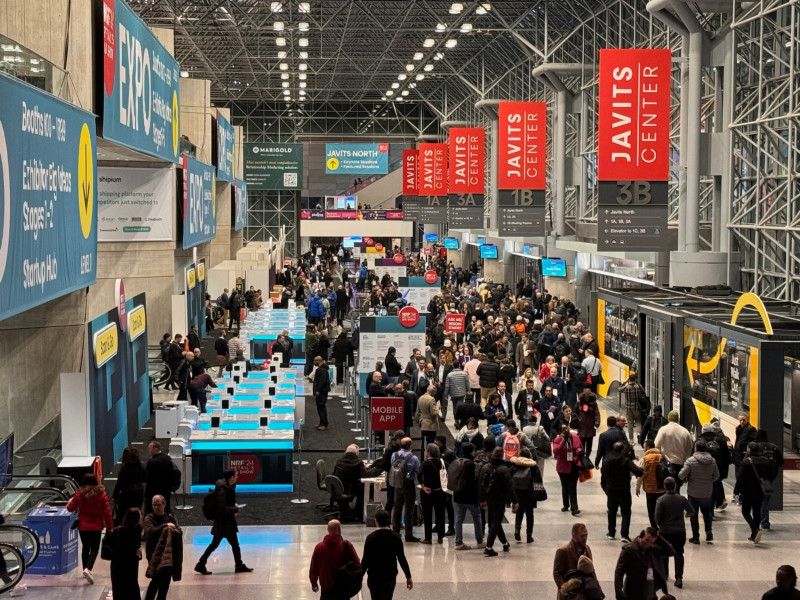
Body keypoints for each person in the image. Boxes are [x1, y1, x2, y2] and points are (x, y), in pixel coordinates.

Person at [195, 470, 253, 574]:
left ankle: (201, 564)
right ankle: (201, 564)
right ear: (231, 477)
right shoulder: (224, 491)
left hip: (225, 522)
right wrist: (235, 509)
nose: (237, 478)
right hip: (224, 523)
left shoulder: (226, 488)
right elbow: (222, 508)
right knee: (226, 544)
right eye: (236, 476)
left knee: (221, 544)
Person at [67, 473, 114, 584]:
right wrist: (110, 527)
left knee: (85, 547)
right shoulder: (101, 494)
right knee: (94, 549)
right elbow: (107, 512)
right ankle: (88, 569)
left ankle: (85, 569)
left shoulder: (79, 494)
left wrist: (70, 503)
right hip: (96, 526)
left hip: (83, 526)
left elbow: (70, 508)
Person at [361, 509, 413, 600]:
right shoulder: (396, 537)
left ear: (376, 521)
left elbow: (365, 560)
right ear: (388, 521)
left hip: (374, 576)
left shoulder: (370, 538)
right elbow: (402, 559)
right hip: (390, 575)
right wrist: (408, 576)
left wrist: (359, 577)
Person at [614, 527, 674, 600]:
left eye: (651, 542)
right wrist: (619, 592)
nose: (648, 544)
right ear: (641, 535)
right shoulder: (628, 550)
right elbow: (619, 572)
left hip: (650, 591)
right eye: (646, 540)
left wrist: (658, 538)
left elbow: (671, 551)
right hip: (633, 591)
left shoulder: (653, 549)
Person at [654, 477, 693, 589]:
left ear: (664, 486)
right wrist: (686, 515)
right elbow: (691, 511)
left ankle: (665, 574)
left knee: (664, 553)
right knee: (679, 554)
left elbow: (657, 517)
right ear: (675, 486)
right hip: (680, 531)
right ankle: (679, 577)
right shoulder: (681, 499)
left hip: (665, 531)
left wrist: (661, 525)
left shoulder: (661, 500)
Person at [679, 438, 719, 544]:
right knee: (707, 513)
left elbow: (681, 475)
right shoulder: (712, 460)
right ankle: (708, 531)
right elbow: (717, 476)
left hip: (693, 493)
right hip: (707, 493)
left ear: (695, 448)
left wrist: (689, 477)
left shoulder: (690, 461)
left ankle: (696, 537)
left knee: (693, 515)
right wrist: (709, 481)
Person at [601, 441, 643, 542]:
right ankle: (624, 534)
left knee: (612, 511)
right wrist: (641, 469)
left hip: (611, 490)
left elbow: (603, 473)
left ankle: (611, 533)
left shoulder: (607, 460)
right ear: (622, 449)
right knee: (626, 512)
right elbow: (638, 471)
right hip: (624, 490)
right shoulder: (626, 460)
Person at [309, 520, 361, 600]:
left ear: (328, 530)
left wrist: (314, 583)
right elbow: (357, 563)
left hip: (326, 589)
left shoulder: (319, 547)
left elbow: (314, 568)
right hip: (343, 588)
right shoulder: (346, 545)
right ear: (339, 530)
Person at [143, 495, 182, 600]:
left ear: (164, 505)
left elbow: (179, 531)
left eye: (158, 505)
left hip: (168, 554)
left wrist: (172, 529)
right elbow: (150, 532)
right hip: (154, 553)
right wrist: (165, 526)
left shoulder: (170, 517)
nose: (155, 507)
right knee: (156, 579)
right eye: (154, 505)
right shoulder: (148, 518)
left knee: (166, 580)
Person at [479, 447, 516, 556]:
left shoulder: (486, 467)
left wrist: (482, 499)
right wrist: (515, 501)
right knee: (496, 522)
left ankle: (505, 543)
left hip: (489, 499)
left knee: (495, 522)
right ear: (502, 456)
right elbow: (510, 486)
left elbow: (481, 484)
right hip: (500, 499)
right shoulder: (504, 469)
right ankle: (489, 547)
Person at [733, 441, 771, 544]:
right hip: (760, 491)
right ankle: (754, 535)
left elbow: (740, 478)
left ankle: (755, 530)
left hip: (748, 491)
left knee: (745, 511)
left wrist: (736, 491)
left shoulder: (747, 461)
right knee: (757, 511)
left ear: (749, 449)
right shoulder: (765, 461)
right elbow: (770, 474)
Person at [451, 443, 484, 550]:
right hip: (469, 497)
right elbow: (472, 482)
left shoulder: (458, 461)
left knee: (459, 519)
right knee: (477, 517)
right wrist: (477, 497)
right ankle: (479, 540)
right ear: (471, 451)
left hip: (458, 495)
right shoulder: (470, 464)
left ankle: (458, 542)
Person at [107, 507, 143, 600]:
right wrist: (135, 552)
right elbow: (122, 548)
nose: (141, 516)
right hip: (128, 563)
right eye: (140, 515)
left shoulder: (124, 530)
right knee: (131, 585)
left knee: (119, 587)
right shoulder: (135, 530)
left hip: (119, 563)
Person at [390, 437, 421, 542]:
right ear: (410, 445)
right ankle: (408, 534)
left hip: (397, 484)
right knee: (409, 510)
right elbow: (418, 471)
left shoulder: (394, 455)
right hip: (409, 485)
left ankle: (395, 532)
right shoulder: (413, 458)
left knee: (397, 509)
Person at [653, 411, 693, 491]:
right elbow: (689, 448)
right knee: (676, 488)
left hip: (666, 464)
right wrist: (684, 460)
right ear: (678, 419)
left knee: (666, 488)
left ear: (669, 418)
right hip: (680, 464)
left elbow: (656, 445)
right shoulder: (685, 432)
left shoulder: (663, 430)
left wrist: (662, 456)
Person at [417, 444, 446, 544]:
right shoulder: (442, 462)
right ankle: (440, 537)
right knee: (440, 514)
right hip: (440, 492)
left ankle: (428, 538)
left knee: (427, 515)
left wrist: (422, 486)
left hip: (427, 492)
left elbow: (419, 474)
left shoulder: (425, 463)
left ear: (428, 453)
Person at [553, 523, 595, 592]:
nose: (585, 538)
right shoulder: (563, 551)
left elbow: (592, 571)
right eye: (582, 536)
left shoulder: (587, 549)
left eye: (586, 535)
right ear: (574, 536)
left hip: (585, 593)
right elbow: (557, 574)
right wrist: (566, 591)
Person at [112, 446, 146, 526]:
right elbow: (145, 478)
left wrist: (114, 496)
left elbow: (119, 483)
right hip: (138, 493)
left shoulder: (124, 468)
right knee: (136, 513)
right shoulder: (141, 466)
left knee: (123, 514)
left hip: (126, 494)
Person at [554, 424, 583, 516]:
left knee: (572, 486)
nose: (565, 430)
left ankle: (574, 508)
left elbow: (581, 447)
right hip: (562, 466)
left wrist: (580, 451)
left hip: (574, 464)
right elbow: (556, 451)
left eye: (566, 428)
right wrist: (563, 441)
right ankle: (566, 505)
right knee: (565, 486)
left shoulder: (576, 437)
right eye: (563, 430)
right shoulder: (557, 439)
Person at [757, 428, 783, 531]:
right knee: (765, 501)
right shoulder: (774, 447)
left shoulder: (756, 447)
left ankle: (761, 522)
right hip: (769, 478)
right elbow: (781, 462)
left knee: (759, 501)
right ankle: (765, 522)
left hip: (758, 477)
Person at [635, 439, 665, 529]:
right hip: (661, 489)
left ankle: (654, 528)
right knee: (661, 510)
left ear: (647, 447)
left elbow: (640, 474)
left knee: (651, 511)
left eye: (644, 447)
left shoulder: (645, 459)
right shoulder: (663, 457)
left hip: (650, 489)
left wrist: (637, 486)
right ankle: (662, 526)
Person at [510, 449, 538, 544]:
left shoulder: (515, 464)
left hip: (518, 493)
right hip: (530, 493)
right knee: (530, 515)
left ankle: (517, 531)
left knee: (519, 512)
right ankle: (529, 536)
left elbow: (510, 477)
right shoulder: (533, 466)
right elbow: (538, 480)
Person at [333, 444, 367, 520]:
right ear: (357, 453)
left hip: (337, 488)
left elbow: (333, 474)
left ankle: (345, 508)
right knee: (363, 489)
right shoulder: (358, 463)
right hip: (349, 490)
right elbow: (364, 476)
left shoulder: (339, 461)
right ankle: (359, 513)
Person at [145, 441, 175, 514]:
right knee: (166, 507)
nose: (148, 450)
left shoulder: (151, 462)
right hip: (166, 488)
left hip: (154, 490)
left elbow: (149, 478)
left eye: (150, 448)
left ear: (155, 449)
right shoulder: (167, 458)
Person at [619, 374, 648, 441]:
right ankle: (638, 433)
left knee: (630, 423)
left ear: (629, 379)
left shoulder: (626, 387)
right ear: (635, 379)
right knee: (638, 421)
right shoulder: (639, 387)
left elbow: (619, 389)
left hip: (628, 408)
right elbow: (643, 392)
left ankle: (631, 439)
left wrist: (625, 382)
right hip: (637, 407)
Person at [414, 385, 440, 453]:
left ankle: (424, 456)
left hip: (423, 423)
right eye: (435, 392)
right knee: (431, 443)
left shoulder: (421, 398)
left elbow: (417, 412)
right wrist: (438, 408)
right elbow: (434, 413)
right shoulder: (431, 399)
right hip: (431, 424)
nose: (436, 393)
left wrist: (417, 420)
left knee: (424, 442)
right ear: (432, 391)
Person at [734, 412, 758, 483]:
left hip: (743, 456)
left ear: (747, 420)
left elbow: (755, 441)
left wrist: (746, 447)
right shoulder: (739, 428)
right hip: (737, 456)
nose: (742, 422)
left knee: (741, 476)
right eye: (740, 420)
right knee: (737, 476)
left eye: (743, 420)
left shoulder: (751, 429)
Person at [575, 390, 600, 457]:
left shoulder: (594, 404)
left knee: (589, 444)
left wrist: (596, 423)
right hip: (581, 428)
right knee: (581, 444)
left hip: (590, 428)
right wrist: (575, 422)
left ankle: (587, 456)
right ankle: (582, 456)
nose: (587, 397)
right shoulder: (579, 403)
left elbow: (596, 414)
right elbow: (574, 413)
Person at [313, 355, 331, 431]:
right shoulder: (322, 369)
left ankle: (324, 424)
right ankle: (321, 423)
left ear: (319, 361)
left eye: (315, 361)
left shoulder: (322, 370)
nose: (314, 362)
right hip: (322, 391)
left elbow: (321, 382)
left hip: (322, 392)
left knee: (321, 407)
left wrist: (318, 391)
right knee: (320, 407)